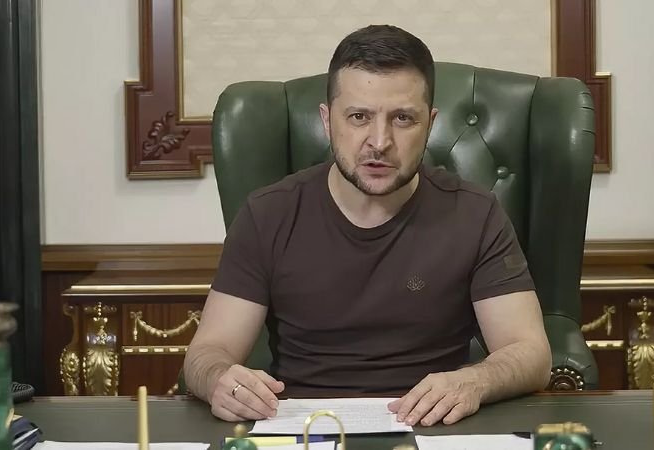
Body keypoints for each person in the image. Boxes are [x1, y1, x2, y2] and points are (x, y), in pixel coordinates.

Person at [184, 24, 551, 427]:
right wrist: (219, 379)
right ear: (327, 121)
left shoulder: (476, 213)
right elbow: (207, 352)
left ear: (430, 124)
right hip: (304, 426)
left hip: (432, 426)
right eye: (359, 117)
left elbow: (531, 354)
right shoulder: (267, 213)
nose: (380, 141)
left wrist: (474, 381)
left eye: (403, 118)